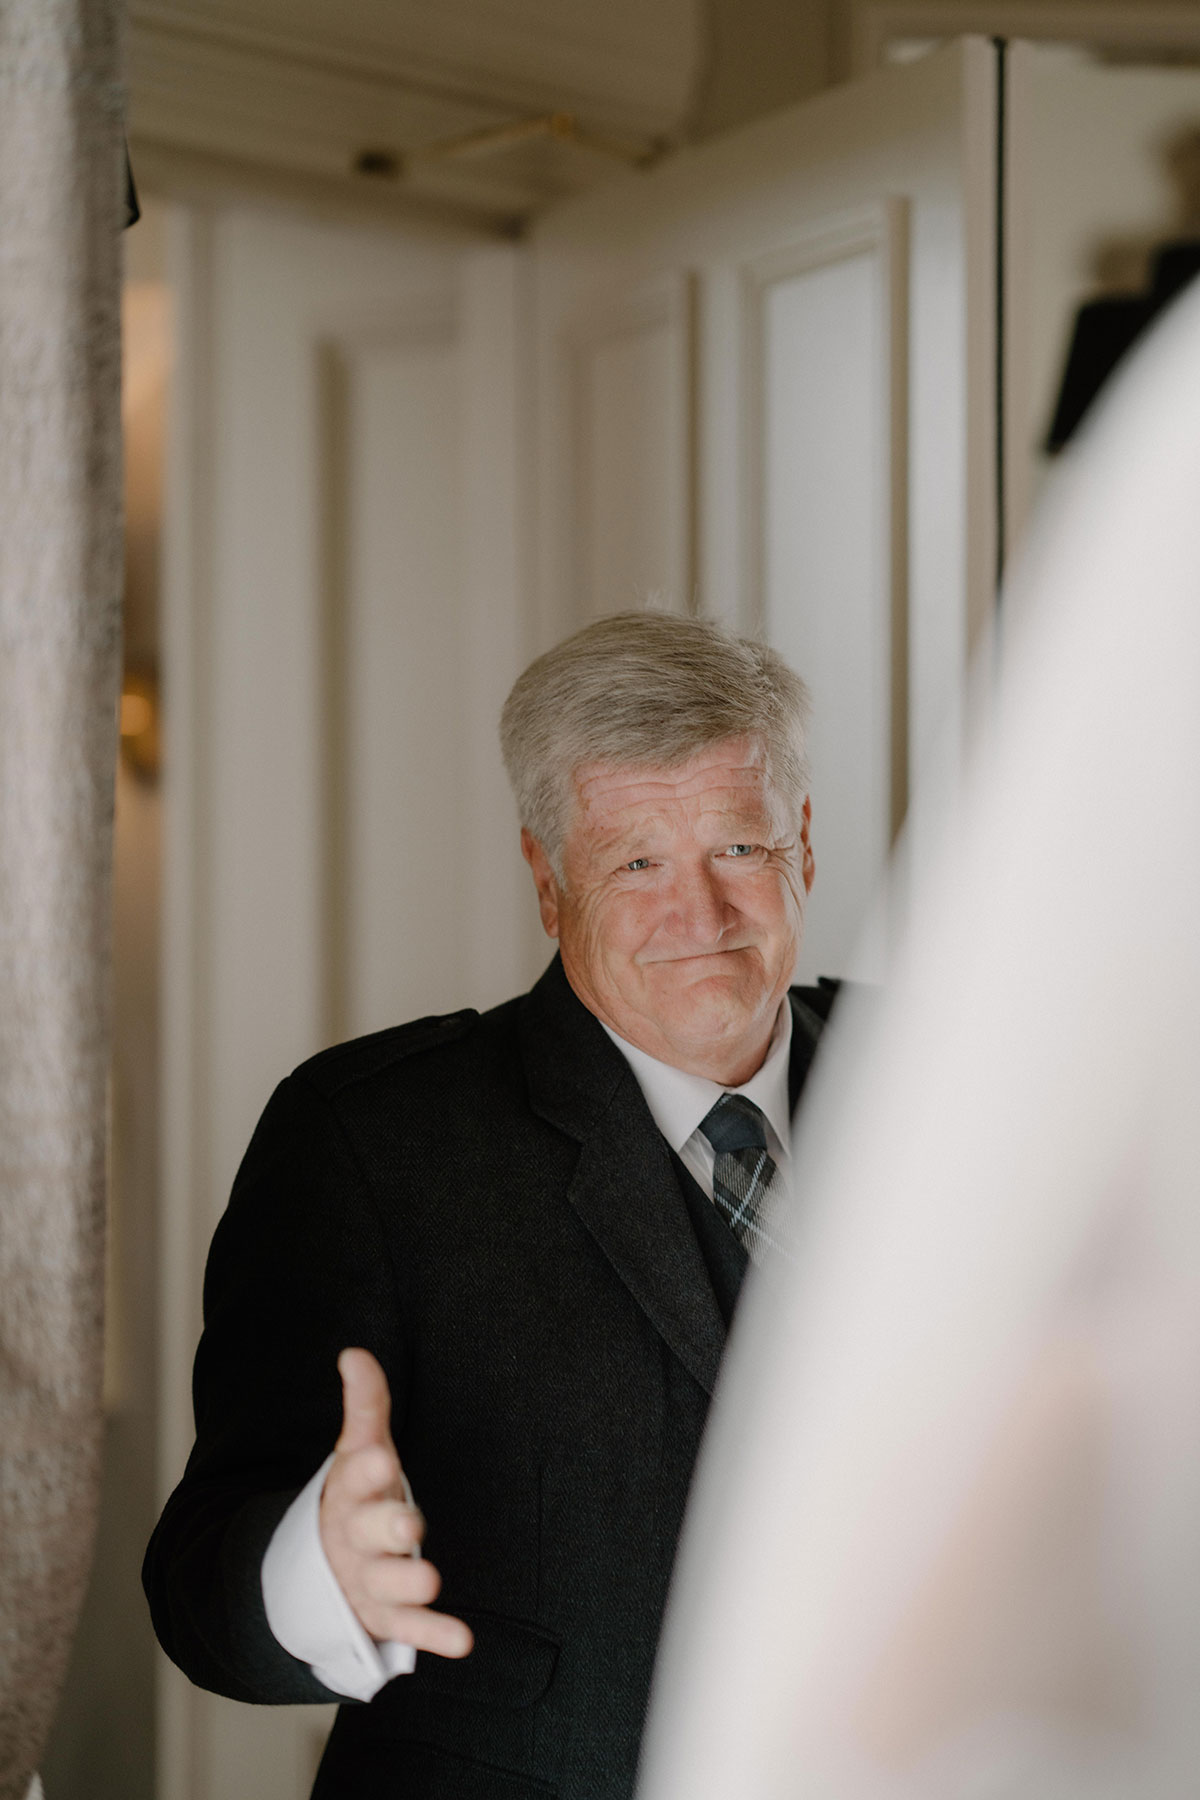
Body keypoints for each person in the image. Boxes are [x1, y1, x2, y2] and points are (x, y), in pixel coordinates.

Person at [144, 610, 836, 1800]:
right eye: (636, 863)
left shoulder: (954, 1080)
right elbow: (199, 1585)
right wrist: (320, 1571)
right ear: (547, 880)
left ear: (805, 847)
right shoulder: (372, 1142)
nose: (702, 919)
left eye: (738, 848)